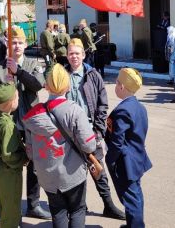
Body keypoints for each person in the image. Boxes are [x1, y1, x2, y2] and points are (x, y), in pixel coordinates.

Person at [22, 64, 97, 228]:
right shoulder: (74, 111)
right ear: (68, 85)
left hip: (47, 175)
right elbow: (88, 145)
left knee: (57, 212)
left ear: (46, 86)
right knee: (77, 210)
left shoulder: (33, 114)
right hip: (73, 174)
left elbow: (30, 152)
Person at [0, 26, 51, 220]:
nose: (16, 46)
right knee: (12, 165)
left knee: (34, 165)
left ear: (25, 44)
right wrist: (8, 84)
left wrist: (19, 72)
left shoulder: (33, 63)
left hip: (31, 123)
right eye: (13, 42)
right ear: (8, 45)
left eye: (20, 42)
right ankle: (13, 211)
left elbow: (38, 85)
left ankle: (33, 204)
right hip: (10, 125)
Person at [63, 38, 126, 219]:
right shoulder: (62, 75)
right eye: (71, 53)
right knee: (74, 172)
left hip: (90, 132)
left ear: (83, 55)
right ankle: (78, 207)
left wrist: (98, 130)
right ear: (67, 56)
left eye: (77, 53)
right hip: (68, 133)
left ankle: (108, 205)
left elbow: (102, 104)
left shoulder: (93, 75)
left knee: (98, 169)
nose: (74, 56)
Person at [105, 67, 152, 228]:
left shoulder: (123, 110)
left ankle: (136, 225)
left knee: (131, 200)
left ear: (122, 87)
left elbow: (117, 141)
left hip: (126, 163)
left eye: (117, 82)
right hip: (137, 158)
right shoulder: (139, 107)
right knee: (135, 195)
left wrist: (109, 159)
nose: (116, 85)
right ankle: (133, 224)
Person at [0, 83, 28, 228]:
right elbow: (9, 155)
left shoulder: (0, 118)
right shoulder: (8, 125)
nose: (18, 100)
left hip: (2, 171)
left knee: (6, 209)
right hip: (10, 172)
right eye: (17, 97)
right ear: (11, 102)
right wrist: (25, 158)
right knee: (10, 215)